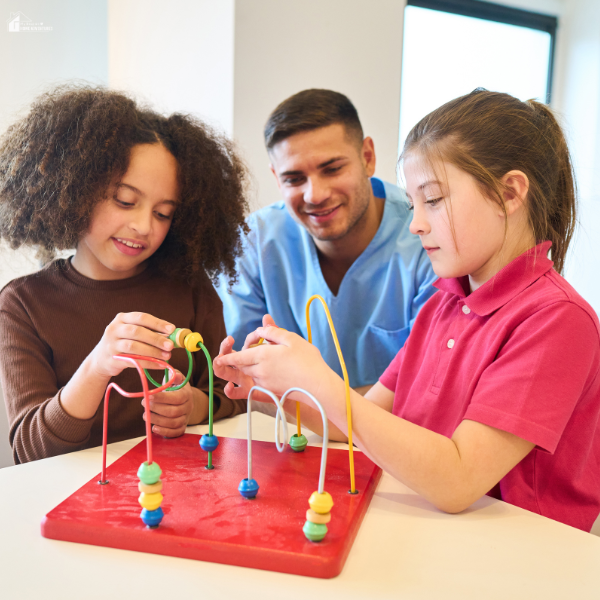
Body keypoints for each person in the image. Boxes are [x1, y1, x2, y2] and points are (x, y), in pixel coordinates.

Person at [214, 89, 600, 532]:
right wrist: (272, 387)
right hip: (431, 533)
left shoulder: (556, 320)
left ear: (509, 193)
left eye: (432, 200)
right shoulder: (444, 304)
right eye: (414, 203)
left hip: (518, 555)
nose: (415, 222)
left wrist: (315, 377)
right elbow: (360, 421)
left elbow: (457, 479)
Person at [0, 85, 249, 464]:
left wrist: (196, 407)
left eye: (163, 213)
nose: (143, 226)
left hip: (181, 494)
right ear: (76, 190)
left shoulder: (190, 289)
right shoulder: (23, 305)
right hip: (75, 503)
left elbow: (228, 396)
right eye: (125, 201)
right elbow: (32, 450)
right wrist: (98, 365)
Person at [216, 89, 436, 394]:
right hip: (285, 435)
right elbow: (246, 380)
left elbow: (431, 387)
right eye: (294, 179)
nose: (315, 195)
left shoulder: (428, 237)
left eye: (332, 169)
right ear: (277, 179)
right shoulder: (253, 243)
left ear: (367, 158)